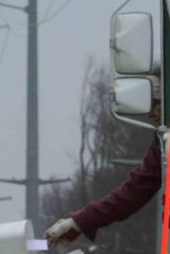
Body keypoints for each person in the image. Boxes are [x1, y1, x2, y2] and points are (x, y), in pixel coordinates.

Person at [45, 99, 163, 245]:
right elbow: (133, 192)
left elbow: (135, 192)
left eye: (156, 106)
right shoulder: (167, 140)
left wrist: (79, 222)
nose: (151, 115)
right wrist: (78, 222)